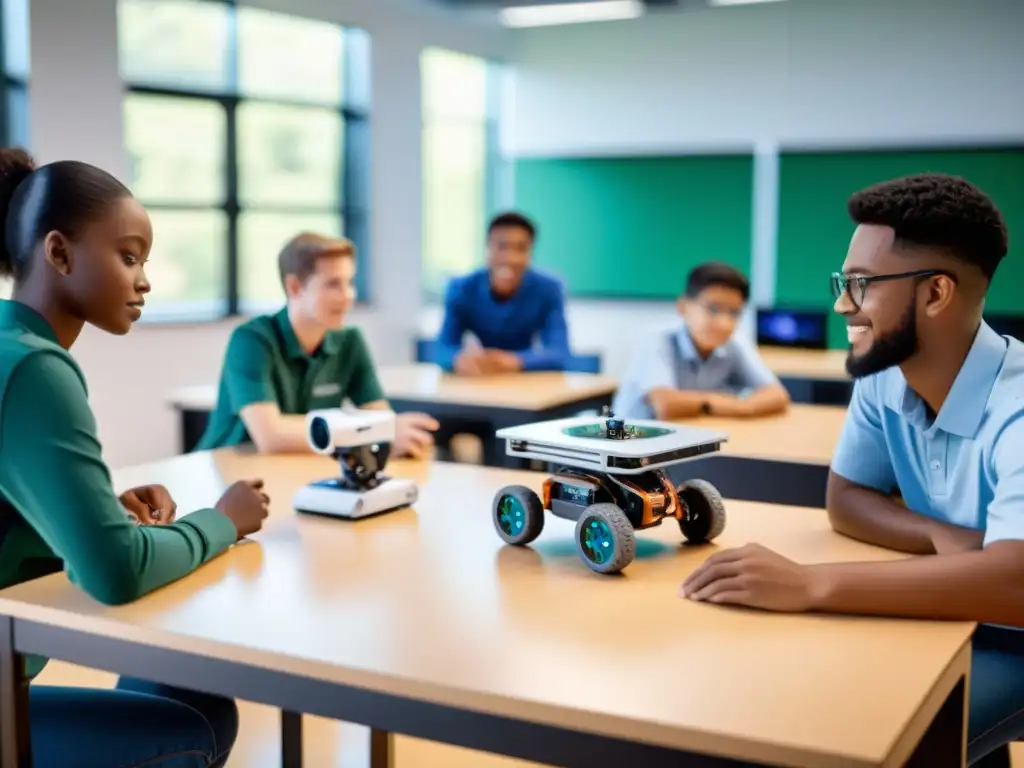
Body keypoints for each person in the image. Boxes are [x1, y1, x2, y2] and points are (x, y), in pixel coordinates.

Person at [680, 173, 1023, 767]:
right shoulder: (888, 370)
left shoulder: (1017, 404)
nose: (842, 303)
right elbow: (846, 497)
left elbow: (1015, 583)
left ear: (936, 294)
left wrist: (813, 584)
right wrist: (935, 534)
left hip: (1013, 641)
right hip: (947, 611)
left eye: (861, 285)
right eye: (845, 282)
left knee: (875, 741)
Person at [0, 148, 270, 766]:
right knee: (192, 730)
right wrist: (222, 521)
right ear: (59, 253)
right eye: (128, 257)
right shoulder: (36, 368)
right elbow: (114, 572)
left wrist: (99, 512)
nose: (144, 279)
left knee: (198, 697)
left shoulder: (11, 345)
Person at [195, 232, 438, 458]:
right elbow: (272, 437)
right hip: (226, 477)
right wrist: (370, 435)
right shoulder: (251, 340)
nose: (348, 296)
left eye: (350, 282)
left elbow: (381, 420)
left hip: (295, 470)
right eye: (333, 284)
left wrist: (385, 433)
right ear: (294, 287)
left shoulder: (349, 341)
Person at [612, 261, 790, 420]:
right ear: (683, 306)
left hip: (688, 439)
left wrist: (741, 406)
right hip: (631, 445)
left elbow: (778, 396)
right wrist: (719, 403)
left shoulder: (734, 343)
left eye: (734, 313)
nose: (724, 323)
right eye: (713, 309)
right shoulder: (656, 339)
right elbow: (666, 406)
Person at [434, 212, 572, 375]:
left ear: (530, 253)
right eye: (501, 246)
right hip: (478, 382)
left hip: (526, 383)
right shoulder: (461, 288)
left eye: (521, 248)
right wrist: (458, 359)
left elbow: (560, 354)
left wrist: (514, 360)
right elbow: (441, 350)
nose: (510, 258)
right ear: (487, 249)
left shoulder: (549, 289)